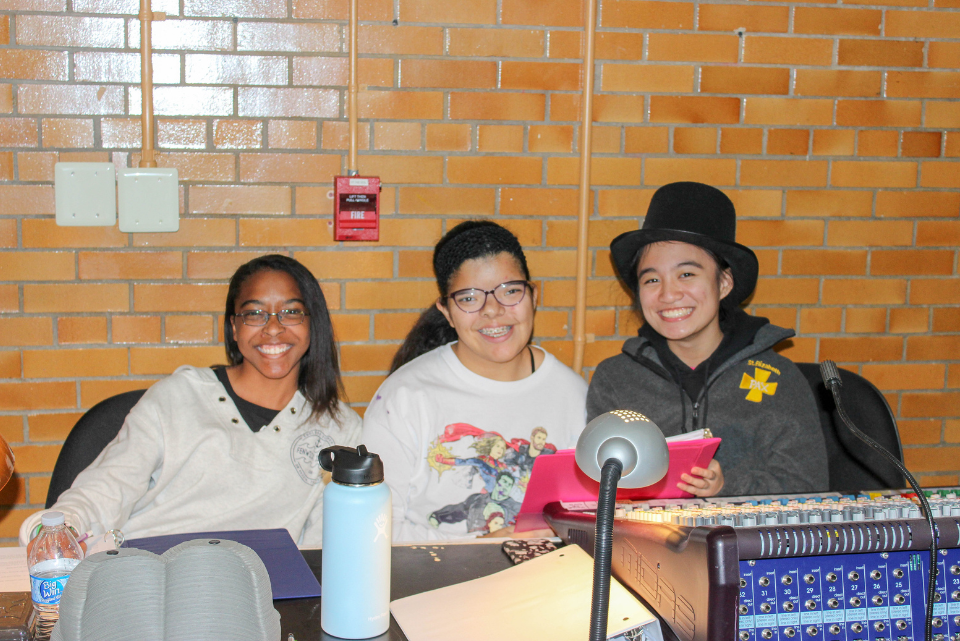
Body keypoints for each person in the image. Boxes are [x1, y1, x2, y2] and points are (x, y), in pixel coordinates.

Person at [19, 255, 361, 547]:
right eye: (254, 314)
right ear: (233, 328)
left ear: (313, 324)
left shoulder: (340, 429)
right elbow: (110, 485)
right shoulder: (178, 395)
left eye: (291, 312)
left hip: (256, 595)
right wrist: (60, 527)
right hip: (148, 575)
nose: (273, 328)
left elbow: (324, 544)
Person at [587, 182, 828, 497]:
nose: (668, 294)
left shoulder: (780, 380)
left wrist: (729, 486)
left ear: (724, 282)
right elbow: (598, 492)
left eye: (686, 274)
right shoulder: (615, 380)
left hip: (745, 545)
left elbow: (808, 490)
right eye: (651, 279)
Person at [362, 221, 588, 541]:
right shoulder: (405, 398)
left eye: (510, 291)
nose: (494, 311)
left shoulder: (573, 395)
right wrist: (486, 548)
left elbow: (588, 516)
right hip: (435, 586)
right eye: (469, 298)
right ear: (447, 312)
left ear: (534, 296)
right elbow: (372, 530)